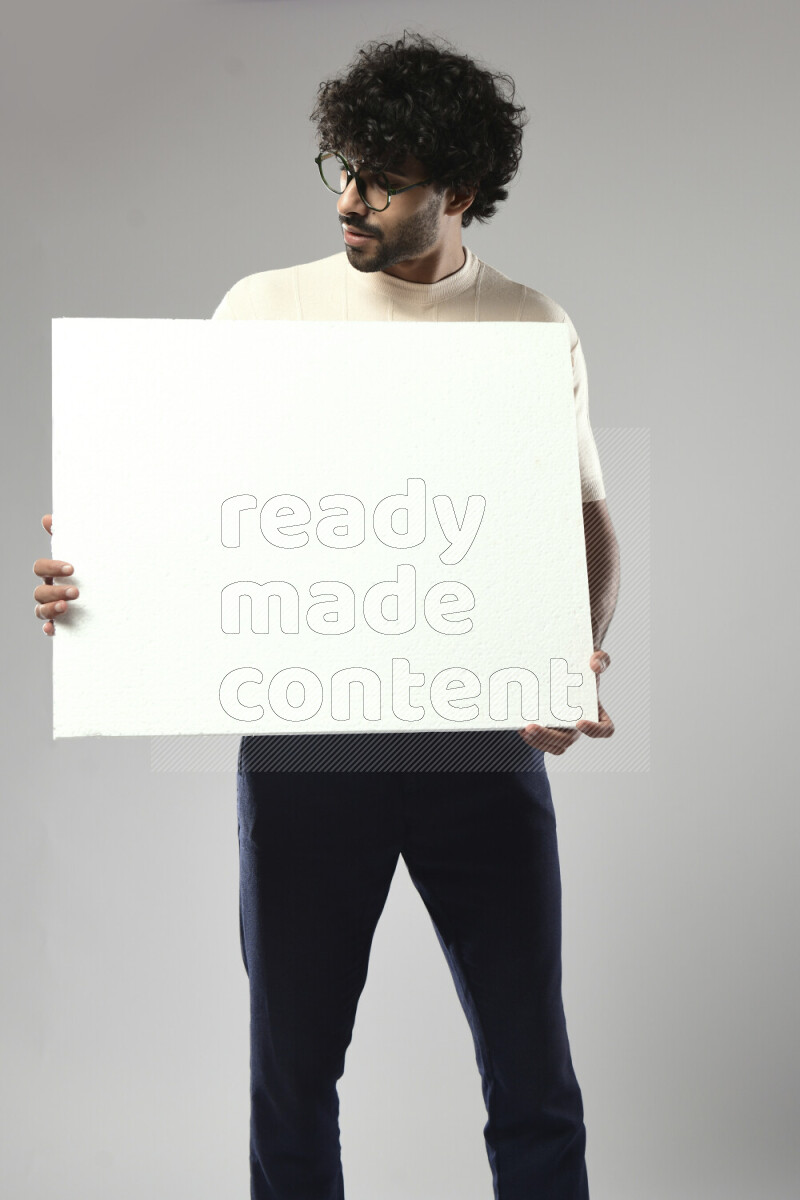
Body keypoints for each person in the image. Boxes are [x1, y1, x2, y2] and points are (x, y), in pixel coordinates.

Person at [33, 32, 620, 1200]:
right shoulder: (263, 307)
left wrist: (574, 661)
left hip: (477, 743)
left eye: (380, 180)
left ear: (454, 192)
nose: (347, 199)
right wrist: (93, 583)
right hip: (308, 749)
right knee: (291, 1072)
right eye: (338, 169)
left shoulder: (528, 322)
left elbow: (583, 520)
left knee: (530, 1070)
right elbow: (197, 510)